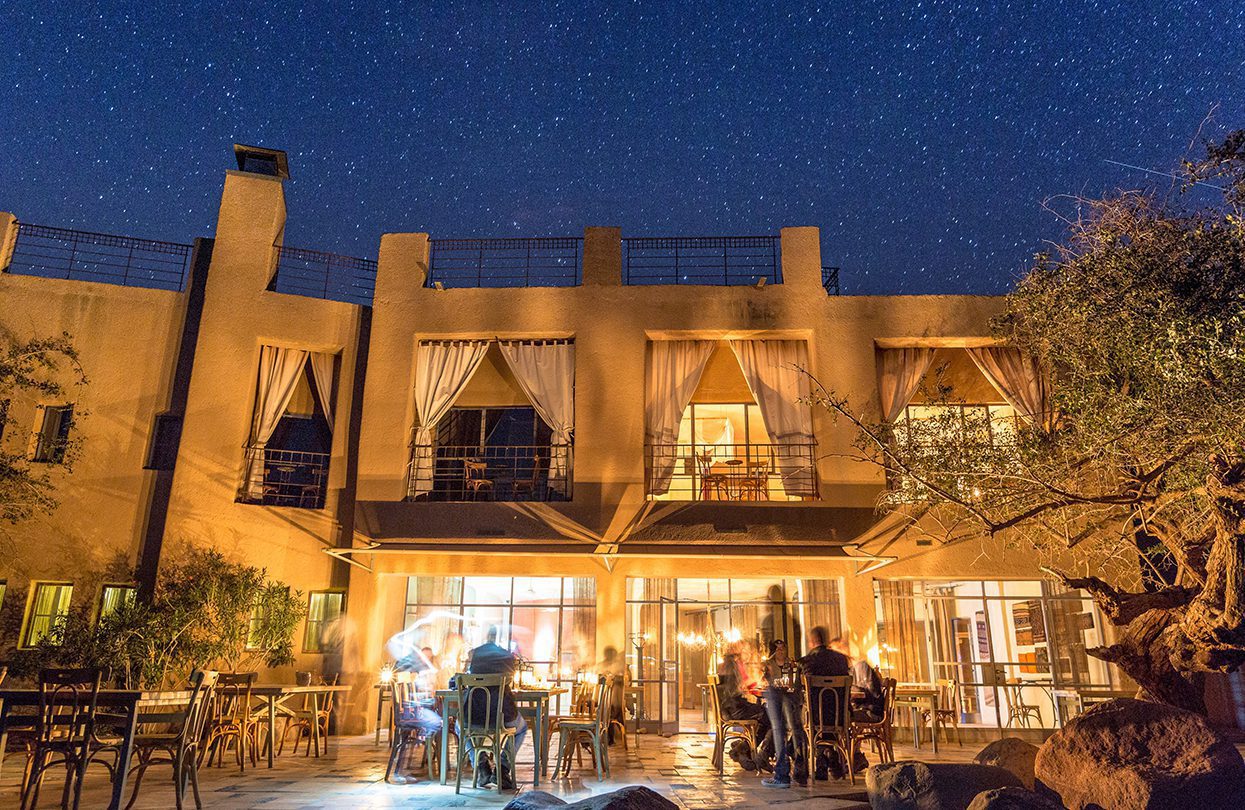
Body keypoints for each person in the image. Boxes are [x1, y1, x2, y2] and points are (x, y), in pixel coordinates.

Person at [459, 626, 527, 789]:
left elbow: (462, 678)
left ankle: (481, 764)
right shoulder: (506, 656)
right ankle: (502, 769)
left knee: (460, 725)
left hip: (473, 717)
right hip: (501, 717)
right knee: (522, 728)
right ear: (498, 638)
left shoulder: (474, 654)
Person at [798, 626, 850, 780]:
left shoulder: (806, 661)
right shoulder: (841, 659)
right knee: (824, 718)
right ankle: (828, 755)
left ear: (812, 641)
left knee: (801, 718)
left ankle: (821, 758)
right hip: (839, 716)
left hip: (814, 717)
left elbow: (797, 691)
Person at [760, 639, 809, 789]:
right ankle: (781, 765)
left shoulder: (792, 664)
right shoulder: (767, 664)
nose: (781, 651)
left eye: (783, 648)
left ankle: (785, 769)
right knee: (778, 727)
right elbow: (762, 680)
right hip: (776, 696)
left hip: (788, 697)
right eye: (778, 649)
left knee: (788, 727)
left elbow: (794, 683)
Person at [716, 646, 771, 771]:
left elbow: (742, 684)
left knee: (766, 716)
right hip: (736, 708)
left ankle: (744, 750)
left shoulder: (725, 666)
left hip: (729, 708)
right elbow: (740, 686)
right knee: (770, 716)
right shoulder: (734, 666)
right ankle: (753, 751)